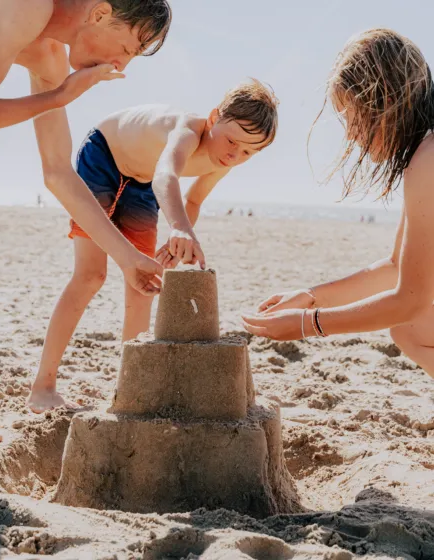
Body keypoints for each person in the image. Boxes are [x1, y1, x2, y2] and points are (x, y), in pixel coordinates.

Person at [27, 79, 279, 412]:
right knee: (91, 275)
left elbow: (194, 200)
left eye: (248, 152)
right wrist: (179, 226)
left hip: (142, 184)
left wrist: (177, 240)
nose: (235, 154)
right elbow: (167, 176)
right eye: (232, 140)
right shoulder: (188, 130)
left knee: (144, 283)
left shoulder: (225, 161)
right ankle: (42, 388)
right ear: (215, 117)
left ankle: (128, 391)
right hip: (103, 157)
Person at [0, 0, 171, 443]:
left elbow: (59, 173)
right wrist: (59, 97)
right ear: (100, 12)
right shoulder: (29, 8)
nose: (119, 64)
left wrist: (128, 258)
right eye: (126, 48)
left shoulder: (49, 57)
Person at [243, 28, 434, 379]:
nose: (350, 133)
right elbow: (396, 267)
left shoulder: (428, 159)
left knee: (412, 323)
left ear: (383, 100)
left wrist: (308, 324)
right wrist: (309, 297)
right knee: (410, 330)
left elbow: (411, 299)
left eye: (351, 116)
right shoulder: (425, 151)